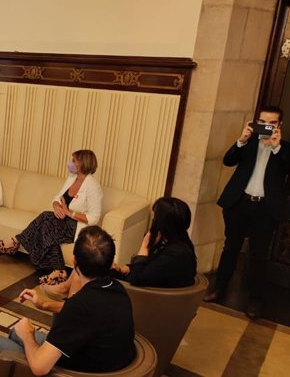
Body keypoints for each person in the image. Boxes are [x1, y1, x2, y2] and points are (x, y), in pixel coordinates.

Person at [0, 226, 135, 377]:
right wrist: (44, 304)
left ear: (75, 262)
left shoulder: (80, 305)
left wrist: (28, 334)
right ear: (110, 263)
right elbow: (86, 315)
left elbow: (39, 367)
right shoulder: (117, 289)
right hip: (105, 364)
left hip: (74, 371)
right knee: (15, 334)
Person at [204, 106, 290, 320]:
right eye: (262, 122)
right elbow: (228, 160)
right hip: (239, 203)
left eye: (271, 123)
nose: (266, 127)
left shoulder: (285, 149)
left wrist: (277, 148)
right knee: (230, 248)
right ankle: (219, 288)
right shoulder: (248, 142)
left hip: (265, 209)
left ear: (280, 126)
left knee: (259, 255)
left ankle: (255, 299)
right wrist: (241, 140)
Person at [0, 149, 102, 285]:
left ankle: (16, 241)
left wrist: (69, 213)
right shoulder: (72, 178)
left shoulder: (92, 186)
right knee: (47, 222)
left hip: (78, 227)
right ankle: (58, 270)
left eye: (74, 161)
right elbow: (58, 197)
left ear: (83, 163)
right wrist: (56, 205)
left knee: (46, 222)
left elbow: (94, 218)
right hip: (63, 220)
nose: (70, 163)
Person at [112, 197, 197, 288]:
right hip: (155, 287)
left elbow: (136, 278)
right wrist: (127, 268)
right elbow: (152, 267)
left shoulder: (175, 255)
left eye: (155, 218)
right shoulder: (182, 242)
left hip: (154, 298)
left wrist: (145, 245)